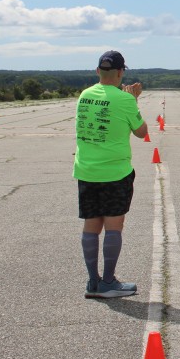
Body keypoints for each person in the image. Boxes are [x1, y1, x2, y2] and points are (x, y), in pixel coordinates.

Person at [74, 50, 148, 299]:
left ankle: (92, 281)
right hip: (115, 172)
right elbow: (141, 132)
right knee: (114, 226)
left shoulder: (84, 95)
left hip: (86, 170)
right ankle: (108, 281)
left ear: (98, 71)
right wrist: (133, 100)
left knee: (91, 225)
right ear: (120, 72)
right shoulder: (125, 99)